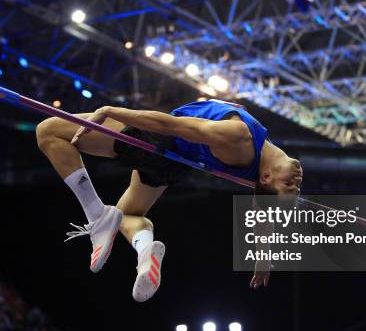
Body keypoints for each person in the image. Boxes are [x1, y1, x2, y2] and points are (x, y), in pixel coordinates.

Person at [35, 99, 303, 302]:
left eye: (288, 184)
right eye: (297, 186)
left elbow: (168, 124)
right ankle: (145, 255)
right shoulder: (259, 166)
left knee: (49, 131)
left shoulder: (237, 137)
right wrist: (263, 256)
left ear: (267, 177)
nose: (298, 178)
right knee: (129, 215)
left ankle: (96, 215)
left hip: (158, 140)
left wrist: (112, 111)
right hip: (172, 166)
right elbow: (262, 207)